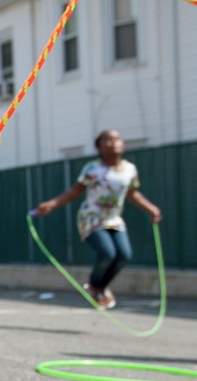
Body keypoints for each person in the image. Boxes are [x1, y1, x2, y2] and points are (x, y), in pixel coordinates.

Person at [33, 129, 161, 310]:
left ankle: (102, 286)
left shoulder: (129, 169)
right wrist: (52, 204)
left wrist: (151, 208)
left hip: (114, 219)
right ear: (99, 147)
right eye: (107, 140)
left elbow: (133, 194)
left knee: (124, 254)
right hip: (91, 219)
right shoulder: (92, 169)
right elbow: (75, 191)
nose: (113, 142)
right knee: (108, 252)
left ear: (123, 144)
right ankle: (94, 285)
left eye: (117, 139)